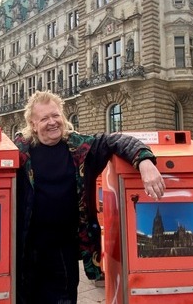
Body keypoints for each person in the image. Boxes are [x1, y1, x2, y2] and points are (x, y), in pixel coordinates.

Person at [14, 91, 165, 303]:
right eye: (44, 118)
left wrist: (144, 161)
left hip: (63, 251)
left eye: (56, 115)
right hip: (27, 251)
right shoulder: (18, 151)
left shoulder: (80, 148)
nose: (52, 122)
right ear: (32, 123)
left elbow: (116, 140)